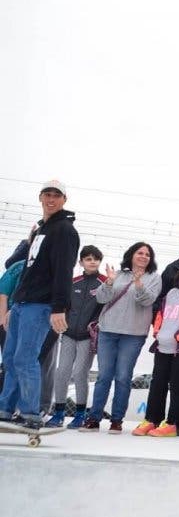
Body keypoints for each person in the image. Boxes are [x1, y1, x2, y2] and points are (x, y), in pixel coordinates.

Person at [0, 181, 80, 432]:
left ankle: (30, 413)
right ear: (40, 197)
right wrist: (16, 302)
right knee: (11, 359)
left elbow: (64, 270)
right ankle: (5, 408)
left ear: (64, 200)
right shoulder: (41, 230)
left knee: (26, 358)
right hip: (23, 303)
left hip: (42, 305)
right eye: (47, 194)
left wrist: (59, 307)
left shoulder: (64, 230)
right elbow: (25, 268)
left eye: (57, 195)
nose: (51, 199)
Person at [82, 242, 161, 433]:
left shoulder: (154, 278)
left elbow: (148, 300)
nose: (143, 256)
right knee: (103, 376)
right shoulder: (118, 274)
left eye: (147, 254)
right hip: (108, 330)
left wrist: (140, 285)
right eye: (139, 253)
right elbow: (101, 298)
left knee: (123, 377)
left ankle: (117, 420)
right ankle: (94, 418)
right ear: (131, 255)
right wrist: (109, 282)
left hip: (133, 334)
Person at [133, 261, 179, 437]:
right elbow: (160, 314)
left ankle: (172, 423)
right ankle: (152, 419)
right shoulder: (171, 293)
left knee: (178, 386)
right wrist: (158, 332)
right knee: (157, 384)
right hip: (162, 346)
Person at [50, 246, 105, 428]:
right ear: (81, 262)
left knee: (81, 373)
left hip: (87, 336)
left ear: (100, 261)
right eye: (88, 259)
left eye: (96, 259)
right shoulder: (73, 282)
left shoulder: (104, 283)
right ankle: (58, 413)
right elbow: (62, 305)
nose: (92, 262)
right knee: (62, 371)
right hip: (68, 333)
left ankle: (80, 414)